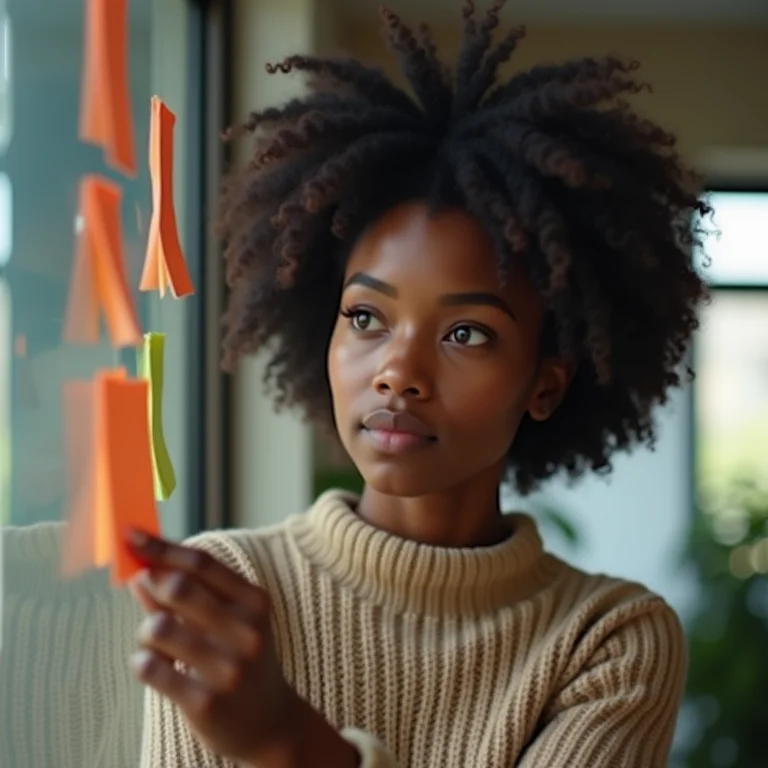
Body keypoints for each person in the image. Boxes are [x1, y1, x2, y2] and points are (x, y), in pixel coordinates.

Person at [127, 2, 710, 766]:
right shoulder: (225, 593)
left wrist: (284, 742)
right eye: (366, 317)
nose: (398, 371)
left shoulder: (609, 638)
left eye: (466, 333)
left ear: (546, 384)